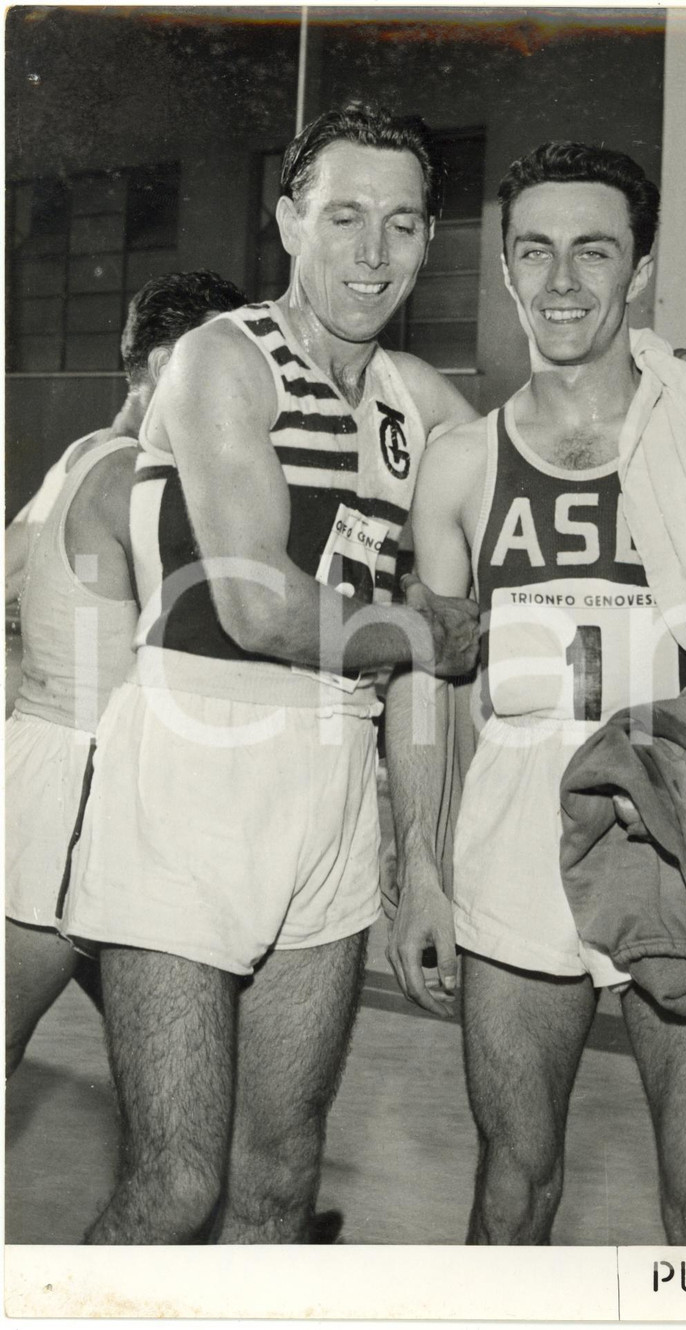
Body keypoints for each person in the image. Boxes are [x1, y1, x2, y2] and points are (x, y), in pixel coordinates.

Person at [385, 141, 686, 1244]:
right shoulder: (460, 462)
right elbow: (429, 683)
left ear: (639, 267)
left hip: (676, 826)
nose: (563, 281)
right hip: (517, 823)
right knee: (512, 1179)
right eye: (534, 252)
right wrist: (421, 868)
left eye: (595, 250)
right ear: (503, 269)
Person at [58, 102, 483, 1245]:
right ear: (288, 218)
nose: (370, 252)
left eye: (399, 224)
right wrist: (427, 629)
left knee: (283, 1175)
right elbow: (256, 608)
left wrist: (426, 862)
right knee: (177, 1181)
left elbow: (514, 546)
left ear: (429, 240)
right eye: (342, 216)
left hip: (332, 779)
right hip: (193, 766)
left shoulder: (423, 406)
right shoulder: (222, 358)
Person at [6, 269, 247, 1077]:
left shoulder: (81, 453)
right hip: (77, 785)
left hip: (60, 769)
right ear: (164, 366)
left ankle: (242, 1199)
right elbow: (232, 619)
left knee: (196, 1050)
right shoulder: (137, 479)